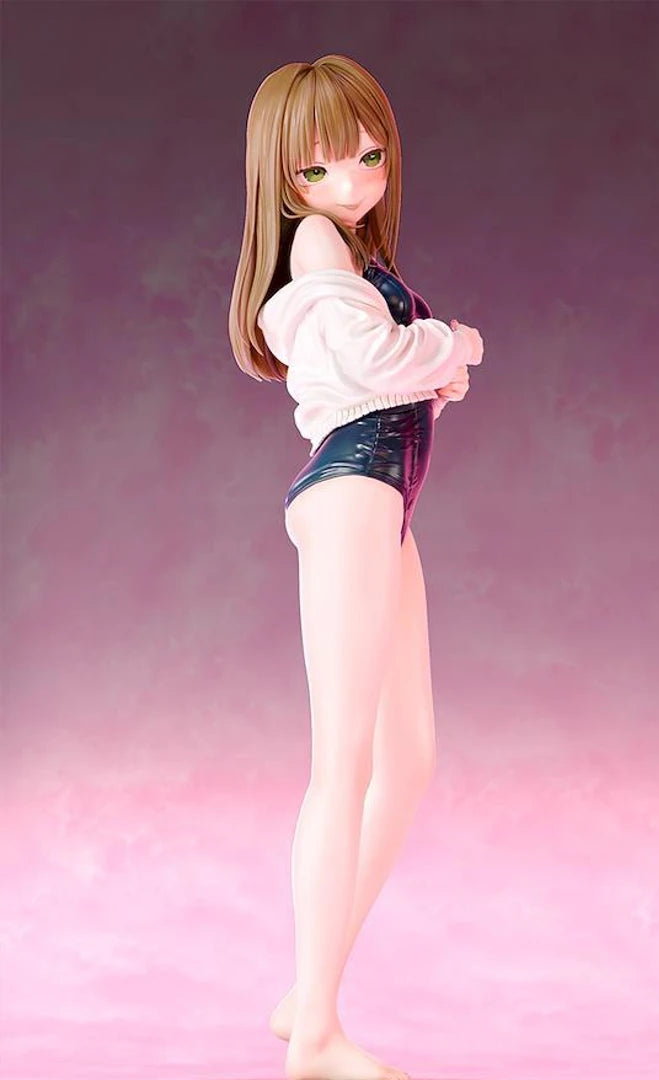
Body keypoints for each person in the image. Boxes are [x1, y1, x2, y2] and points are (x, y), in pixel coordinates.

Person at [228, 54, 484, 1080]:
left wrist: (431, 363)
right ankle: (318, 1035)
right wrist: (456, 342)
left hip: (380, 498)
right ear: (285, 177)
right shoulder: (318, 245)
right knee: (343, 764)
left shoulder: (348, 251)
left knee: (407, 756)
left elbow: (378, 364)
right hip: (353, 492)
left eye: (370, 157)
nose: (353, 180)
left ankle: (310, 989)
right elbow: (375, 363)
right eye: (323, 166)